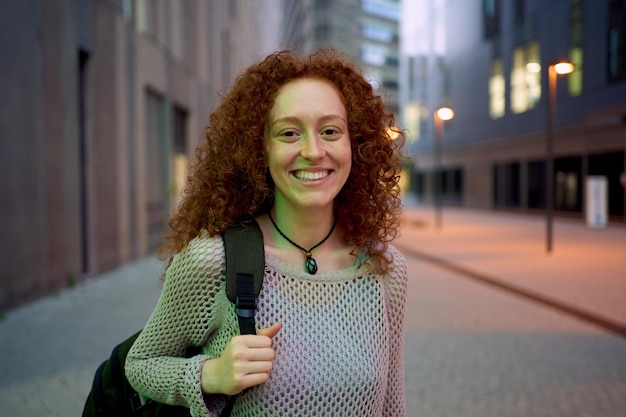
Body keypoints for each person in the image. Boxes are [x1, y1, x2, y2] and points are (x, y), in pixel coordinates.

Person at [125, 49, 408, 417]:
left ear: (355, 143)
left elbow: (392, 407)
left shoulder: (386, 273)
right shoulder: (214, 260)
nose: (313, 150)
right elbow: (141, 364)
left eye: (330, 131)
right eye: (289, 133)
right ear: (261, 149)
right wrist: (211, 374)